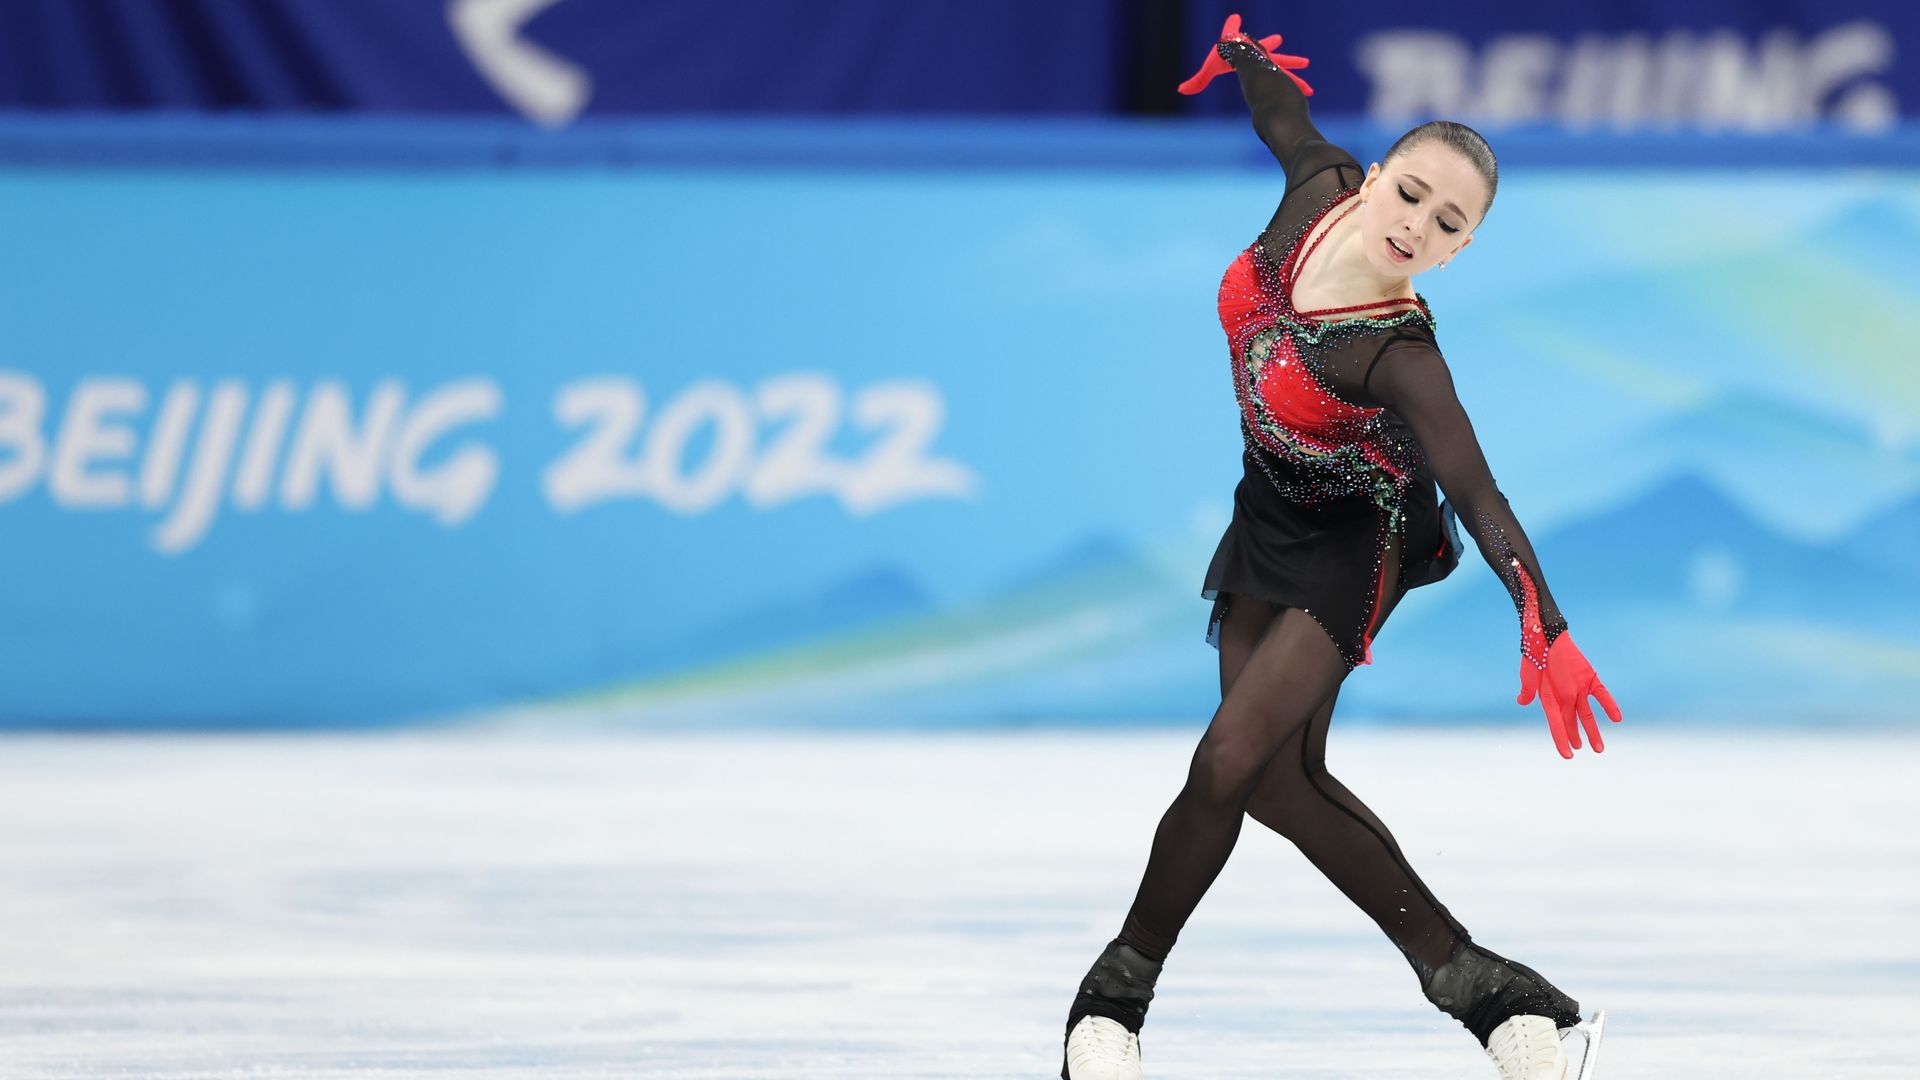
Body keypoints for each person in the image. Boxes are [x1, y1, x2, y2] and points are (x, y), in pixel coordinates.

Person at [1059, 15, 1622, 1080]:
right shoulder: (1315, 190)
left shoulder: (1400, 354)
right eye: (1409, 193)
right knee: (1273, 782)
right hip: (1269, 510)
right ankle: (1495, 996)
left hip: (1362, 538)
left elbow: (1477, 491)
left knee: (1228, 759)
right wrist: (1244, 57)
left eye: (1447, 223)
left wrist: (1543, 624)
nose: (1416, 224)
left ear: (1460, 250)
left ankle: (1109, 1008)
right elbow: (1284, 113)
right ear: (1370, 180)